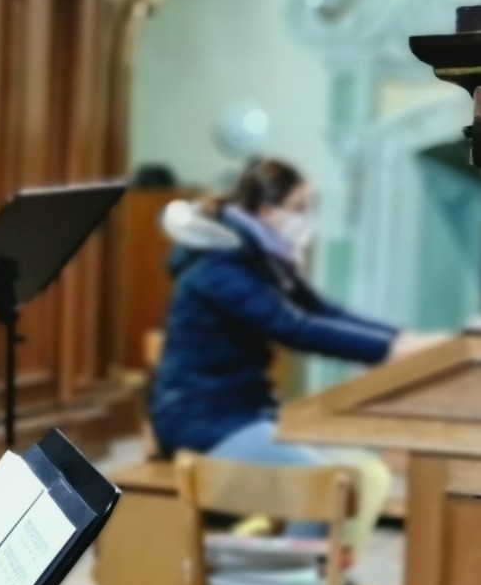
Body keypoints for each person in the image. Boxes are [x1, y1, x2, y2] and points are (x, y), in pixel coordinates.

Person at [150, 157, 439, 549]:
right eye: (299, 208)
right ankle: (284, 578)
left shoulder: (257, 258)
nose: (306, 220)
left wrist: (402, 338)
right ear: (268, 211)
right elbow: (294, 328)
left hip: (242, 411)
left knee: (364, 476)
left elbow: (322, 312)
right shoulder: (219, 268)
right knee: (320, 489)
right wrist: (391, 350)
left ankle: (309, 569)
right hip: (203, 419)